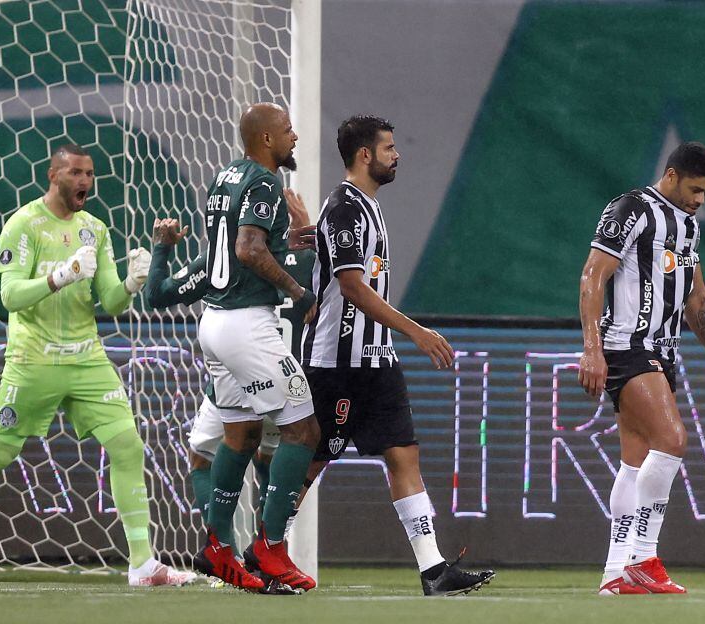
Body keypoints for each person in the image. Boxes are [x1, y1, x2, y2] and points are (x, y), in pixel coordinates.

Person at [0, 144, 196, 587]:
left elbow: (109, 301)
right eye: (76, 173)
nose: (85, 180)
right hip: (34, 359)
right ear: (54, 175)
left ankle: (143, 564)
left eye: (90, 173)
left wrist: (131, 282)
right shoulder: (24, 225)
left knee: (127, 445)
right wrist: (59, 276)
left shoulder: (95, 229)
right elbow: (9, 296)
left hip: (86, 357)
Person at [297, 114, 495, 596]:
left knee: (403, 454)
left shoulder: (366, 206)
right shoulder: (345, 206)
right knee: (311, 461)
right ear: (365, 155)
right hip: (337, 363)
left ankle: (433, 569)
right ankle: (265, 550)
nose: (397, 154)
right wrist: (417, 332)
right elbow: (351, 288)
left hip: (376, 361)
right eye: (388, 148)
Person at [579, 142, 705, 595]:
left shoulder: (688, 227)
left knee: (634, 460)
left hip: (663, 352)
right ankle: (643, 557)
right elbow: (593, 275)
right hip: (627, 345)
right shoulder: (631, 209)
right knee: (672, 440)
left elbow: (697, 299)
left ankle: (615, 572)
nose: (700, 200)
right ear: (671, 176)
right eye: (695, 189)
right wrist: (591, 348)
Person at [142, 194, 315, 564]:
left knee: (202, 454)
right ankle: (268, 551)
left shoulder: (219, 264)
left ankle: (223, 551)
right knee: (275, 453)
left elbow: (155, 295)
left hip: (238, 381)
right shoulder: (308, 261)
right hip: (287, 382)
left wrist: (161, 249)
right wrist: (305, 233)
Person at [191, 103, 320, 593]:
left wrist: (287, 240)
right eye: (287, 130)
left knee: (240, 433)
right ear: (266, 139)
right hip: (248, 322)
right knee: (303, 429)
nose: (295, 136)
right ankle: (269, 547)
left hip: (214, 320)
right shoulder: (266, 182)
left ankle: (218, 548)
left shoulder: (225, 177)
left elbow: (238, 246)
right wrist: (296, 288)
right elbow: (248, 248)